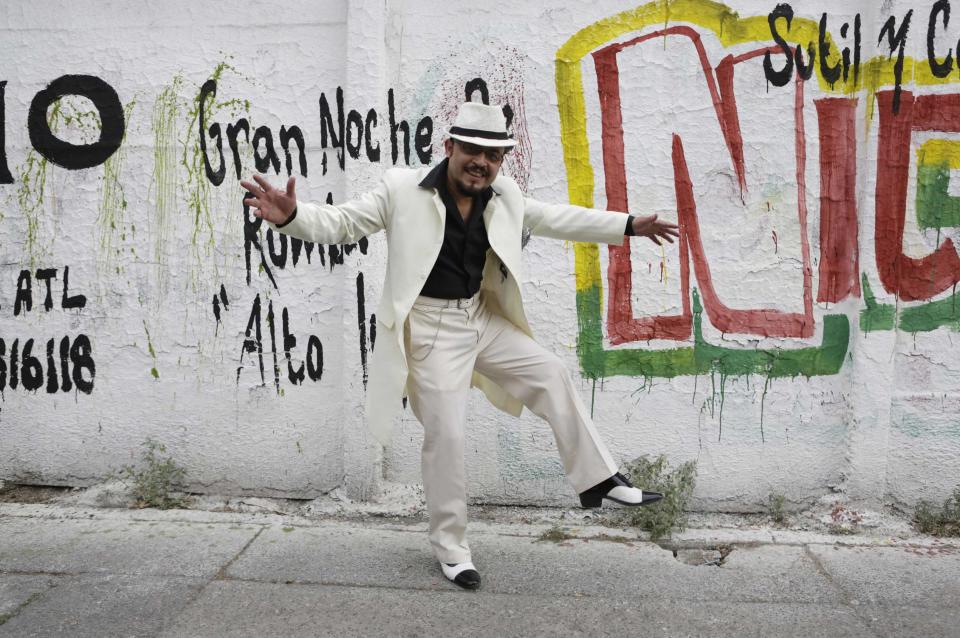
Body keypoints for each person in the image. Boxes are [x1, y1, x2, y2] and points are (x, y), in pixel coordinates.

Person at [242, 102, 679, 590]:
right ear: (448, 147)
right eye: (472, 149)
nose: (482, 162)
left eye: (493, 154)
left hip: (481, 317)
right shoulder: (402, 189)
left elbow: (555, 217)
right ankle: (451, 549)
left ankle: (599, 479)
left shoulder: (503, 194)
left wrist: (627, 225)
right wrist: (292, 217)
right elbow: (343, 223)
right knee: (446, 436)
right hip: (430, 330)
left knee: (550, 372)